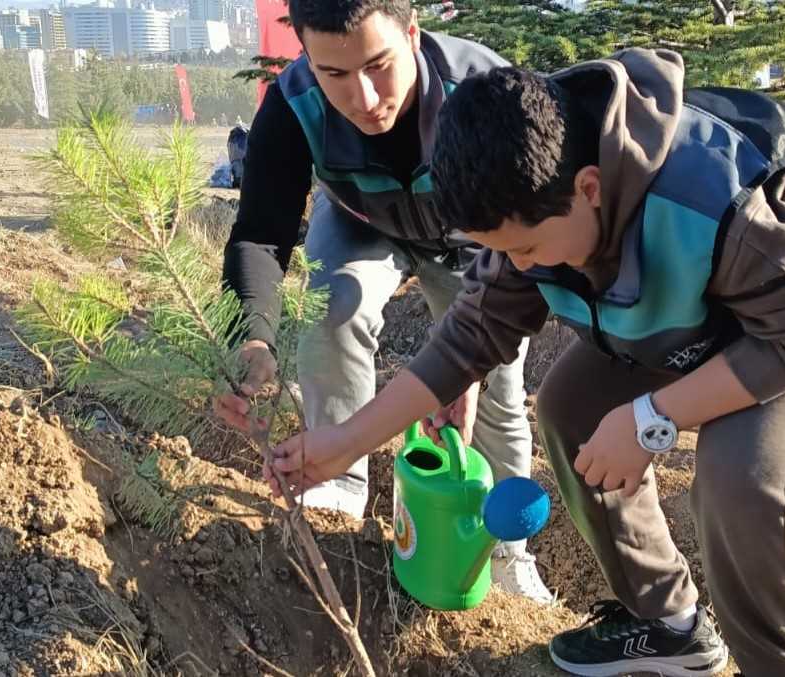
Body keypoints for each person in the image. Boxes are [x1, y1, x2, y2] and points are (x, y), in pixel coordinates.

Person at [264, 51, 785, 676]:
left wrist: (651, 417)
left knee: (740, 474)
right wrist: (341, 443)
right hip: (713, 295)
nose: (519, 269)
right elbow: (470, 334)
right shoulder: (529, 189)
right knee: (572, 409)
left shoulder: (711, 197)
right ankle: (668, 626)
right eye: (502, 252)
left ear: (588, 188)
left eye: (526, 248)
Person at [214, 0, 553, 603]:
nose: (364, 99)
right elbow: (261, 232)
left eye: (378, 65)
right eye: (335, 75)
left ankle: (504, 550)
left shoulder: (479, 95)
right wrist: (254, 336)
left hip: (475, 240)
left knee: (497, 381)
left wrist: (464, 370)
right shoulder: (295, 105)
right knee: (334, 305)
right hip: (362, 217)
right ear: (308, 58)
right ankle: (337, 491)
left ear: (412, 33)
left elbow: (521, 244)